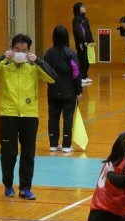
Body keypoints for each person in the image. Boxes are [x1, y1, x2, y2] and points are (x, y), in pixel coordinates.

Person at [0, 33, 57, 200]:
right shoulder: (4, 66)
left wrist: (38, 61)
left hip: (29, 115)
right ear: (11, 49)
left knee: (28, 153)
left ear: (29, 51)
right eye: (17, 50)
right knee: (8, 153)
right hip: (8, 114)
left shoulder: (33, 67)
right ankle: (8, 185)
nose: (20, 53)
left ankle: (25, 187)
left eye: (24, 50)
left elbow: (53, 78)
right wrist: (2, 57)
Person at [44, 25, 82, 153]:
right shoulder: (71, 53)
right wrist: (79, 90)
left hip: (53, 91)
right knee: (68, 117)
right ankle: (66, 145)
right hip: (68, 92)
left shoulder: (48, 54)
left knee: (53, 117)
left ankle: (53, 144)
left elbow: (45, 72)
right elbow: (76, 73)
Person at [72, 2, 94, 85]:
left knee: (88, 60)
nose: (84, 8)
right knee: (82, 59)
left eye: (84, 6)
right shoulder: (76, 19)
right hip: (81, 44)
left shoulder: (86, 19)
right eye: (82, 7)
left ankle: (85, 75)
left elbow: (88, 31)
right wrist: (83, 41)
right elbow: (78, 31)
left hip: (88, 43)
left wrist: (91, 40)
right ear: (78, 9)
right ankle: (81, 77)